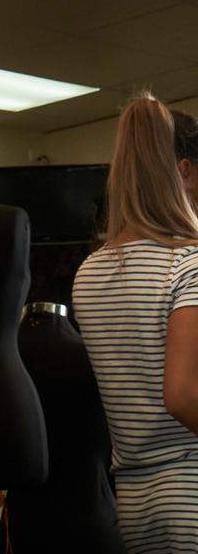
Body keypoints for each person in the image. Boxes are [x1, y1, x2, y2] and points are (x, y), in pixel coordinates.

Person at [73, 94, 198, 551]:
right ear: (182, 172)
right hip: (191, 487)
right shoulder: (189, 263)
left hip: (133, 501)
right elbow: (182, 394)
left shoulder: (91, 271)